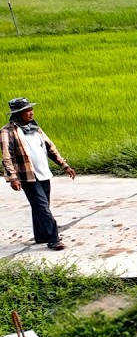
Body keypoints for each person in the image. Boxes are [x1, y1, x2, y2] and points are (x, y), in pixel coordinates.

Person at [1, 98, 75, 250]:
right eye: (26, 111)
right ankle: (53, 239)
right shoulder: (7, 131)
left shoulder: (35, 128)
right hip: (27, 176)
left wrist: (64, 165)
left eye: (31, 109)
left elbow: (50, 148)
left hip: (43, 173)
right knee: (42, 208)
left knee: (41, 206)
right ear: (18, 113)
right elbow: (7, 156)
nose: (31, 113)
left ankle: (41, 235)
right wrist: (13, 178)